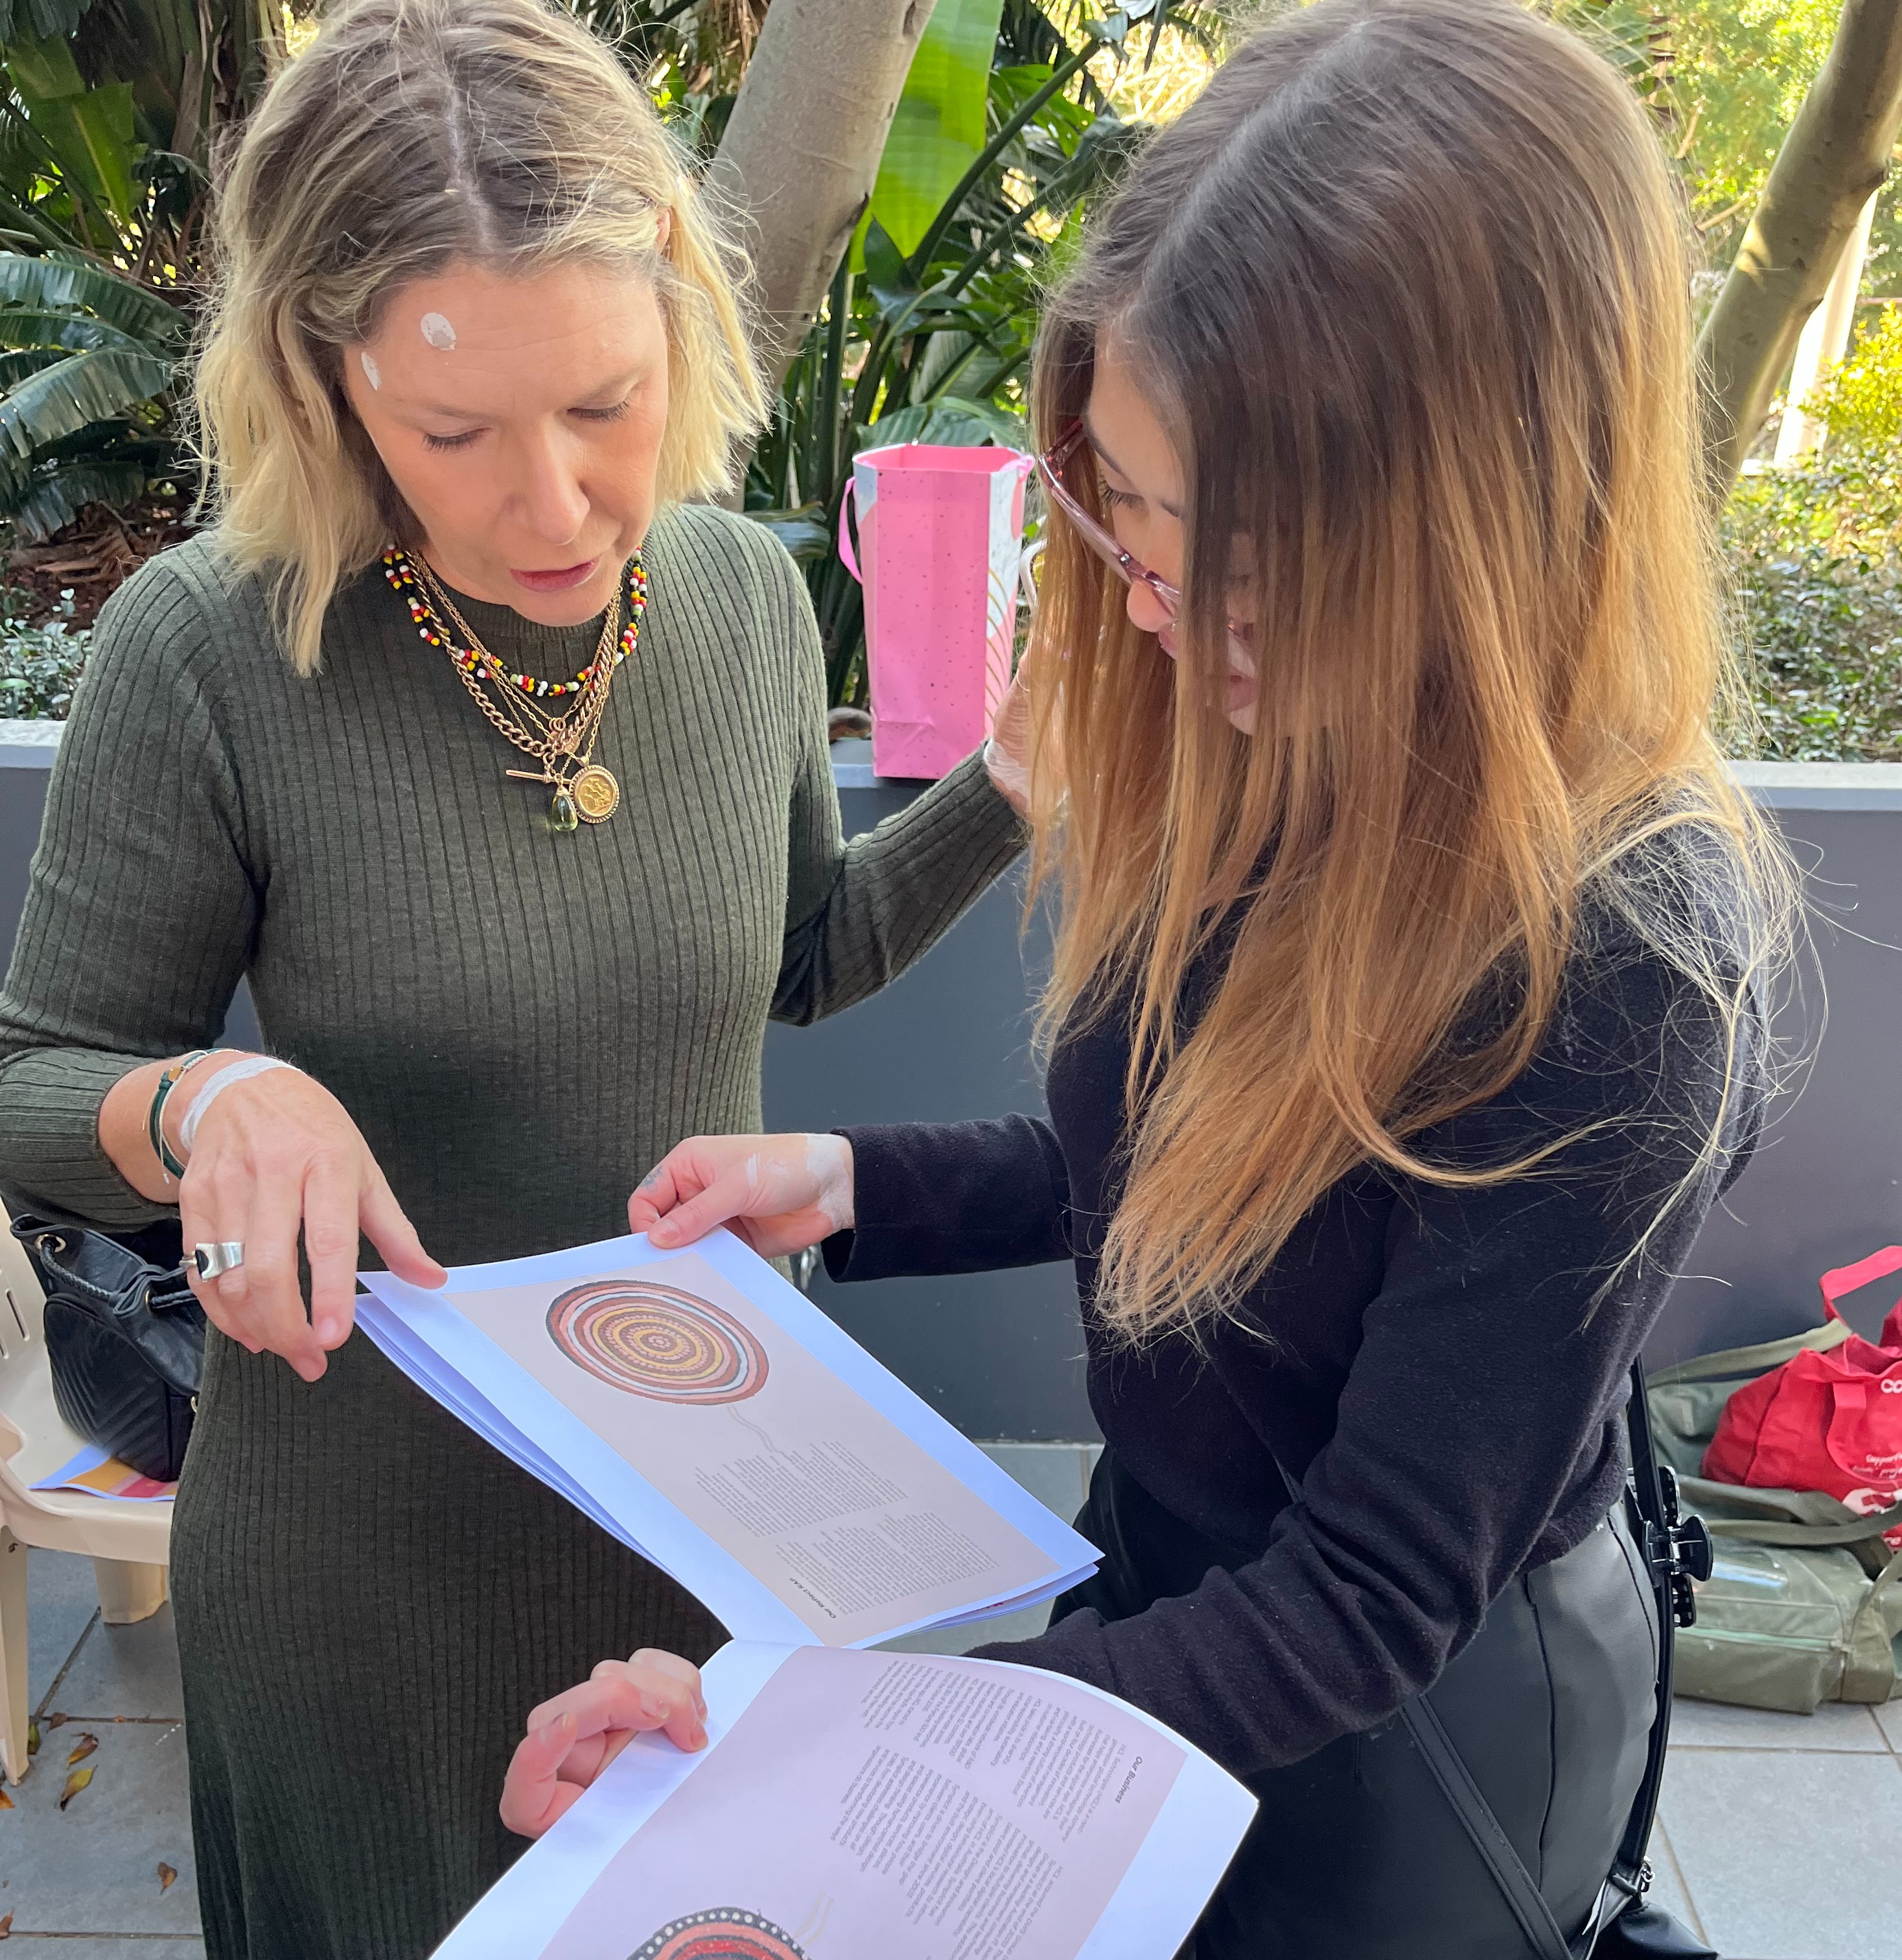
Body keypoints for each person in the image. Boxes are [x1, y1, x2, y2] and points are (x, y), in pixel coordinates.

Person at [501, 3, 1787, 1955]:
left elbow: (1369, 1591)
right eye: (1135, 537)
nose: (1167, 624)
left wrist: (818, 1747)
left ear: (1489, 525)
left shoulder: (1623, 961)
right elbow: (1225, 1168)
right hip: (1179, 1597)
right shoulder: (1264, 717)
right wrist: (857, 1187)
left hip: (1401, 1749)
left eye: (1238, 567)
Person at [0, 1, 1028, 1954]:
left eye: (607, 408)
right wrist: (208, 1098)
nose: (555, 505)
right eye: (454, 433)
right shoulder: (211, 650)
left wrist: (1014, 787)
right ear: (322, 383)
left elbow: (802, 954)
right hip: (364, 1570)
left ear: (679, 328)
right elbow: (28, 1080)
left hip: (712, 1527)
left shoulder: (739, 598)